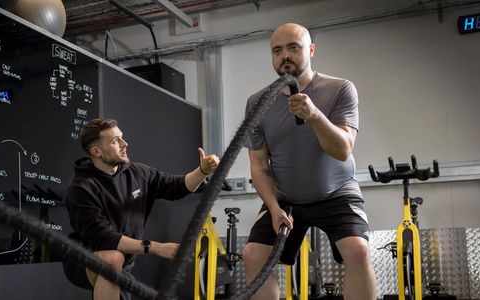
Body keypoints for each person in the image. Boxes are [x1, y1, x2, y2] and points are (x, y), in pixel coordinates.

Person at [242, 23, 377, 299]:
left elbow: (343, 150)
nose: (285, 56)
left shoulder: (340, 89)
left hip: (337, 192)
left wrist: (314, 115)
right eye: (277, 50)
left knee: (358, 250)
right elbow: (258, 165)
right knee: (253, 255)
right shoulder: (257, 102)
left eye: (294, 47)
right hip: (286, 197)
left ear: (311, 50)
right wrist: (274, 207)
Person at [62, 117, 220, 300]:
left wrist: (202, 171)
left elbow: (176, 187)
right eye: (115, 141)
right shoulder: (81, 187)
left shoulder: (138, 173)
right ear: (96, 151)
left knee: (116, 261)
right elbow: (103, 238)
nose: (124, 144)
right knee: (112, 258)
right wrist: (155, 247)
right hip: (82, 260)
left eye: (122, 137)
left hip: (123, 260)